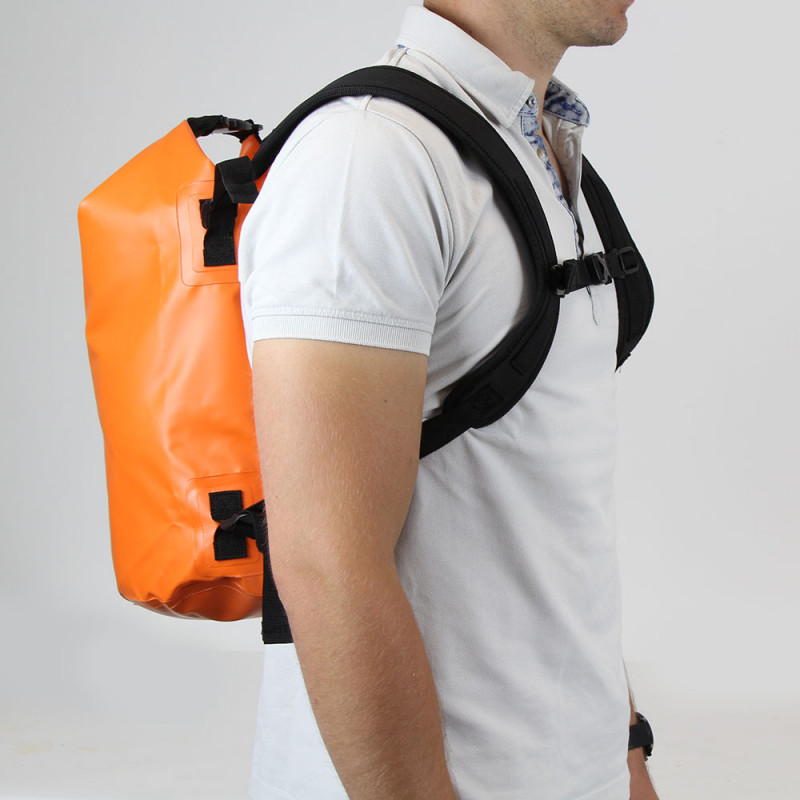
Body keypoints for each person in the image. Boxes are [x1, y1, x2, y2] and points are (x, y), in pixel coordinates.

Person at [238, 1, 659, 798]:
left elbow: (550, 523)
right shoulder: (371, 158)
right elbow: (325, 561)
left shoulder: (544, 148)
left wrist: (625, 758)